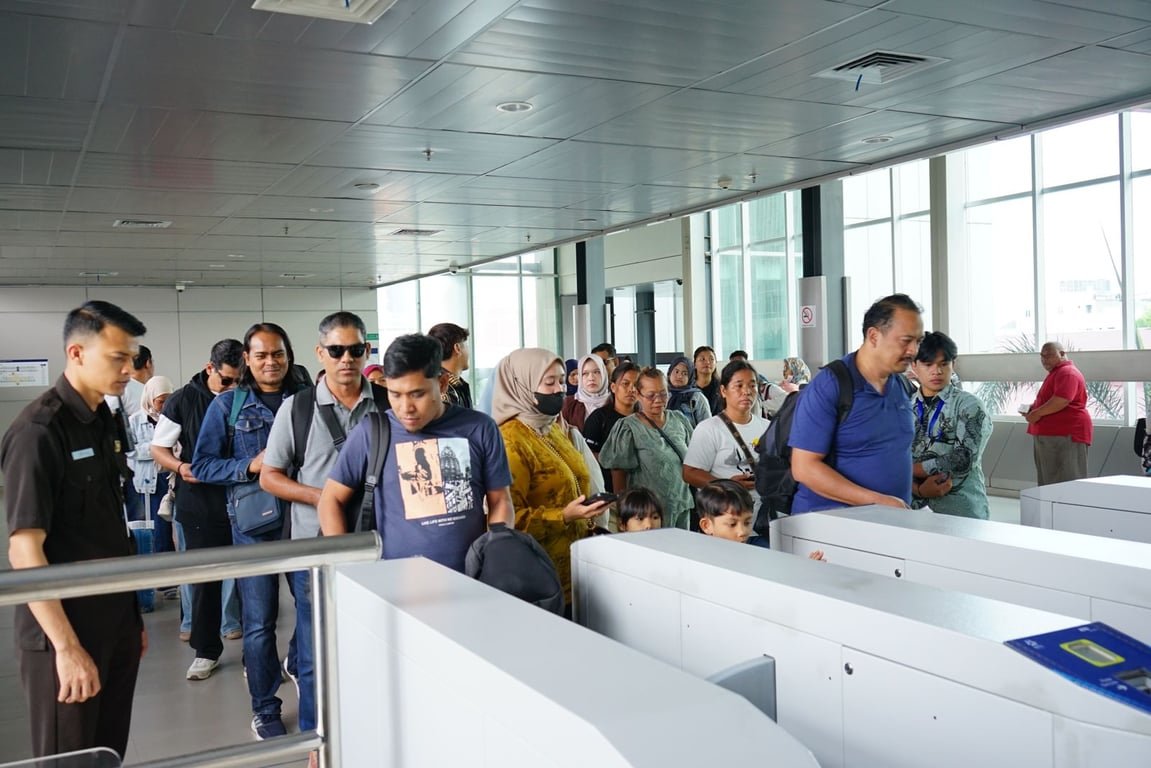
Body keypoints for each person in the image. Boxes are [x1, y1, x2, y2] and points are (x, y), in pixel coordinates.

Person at [1, 300, 148, 760]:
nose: (129, 370)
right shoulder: (39, 432)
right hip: (66, 631)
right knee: (69, 756)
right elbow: (25, 550)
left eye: (132, 358)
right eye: (117, 358)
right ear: (76, 353)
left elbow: (109, 528)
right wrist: (66, 648)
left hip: (113, 623)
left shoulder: (103, 419)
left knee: (107, 753)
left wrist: (131, 621)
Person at [260, 311, 385, 743]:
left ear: (366, 351)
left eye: (355, 350)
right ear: (320, 353)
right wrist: (324, 497)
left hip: (376, 545)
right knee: (315, 652)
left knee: (374, 643)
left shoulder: (386, 403)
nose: (346, 358)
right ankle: (318, 740)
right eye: (336, 350)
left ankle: (367, 732)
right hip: (315, 548)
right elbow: (270, 476)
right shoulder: (297, 409)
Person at [191, 323, 305, 740]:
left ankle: (300, 671)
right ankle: (265, 708)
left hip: (303, 523)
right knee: (258, 624)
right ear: (247, 359)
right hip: (254, 528)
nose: (270, 362)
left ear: (289, 356)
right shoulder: (228, 406)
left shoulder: (307, 401)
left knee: (312, 614)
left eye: (277, 354)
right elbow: (202, 465)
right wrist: (249, 465)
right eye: (261, 355)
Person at [317, 334, 514, 573]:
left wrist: (496, 552)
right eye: (395, 394)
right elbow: (331, 499)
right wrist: (346, 566)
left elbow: (499, 499)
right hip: (395, 579)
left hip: (472, 575)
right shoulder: (372, 432)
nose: (406, 408)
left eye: (417, 394)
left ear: (442, 384)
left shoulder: (479, 427)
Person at [491, 348, 611, 606]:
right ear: (522, 385)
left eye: (562, 380)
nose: (560, 389)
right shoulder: (510, 441)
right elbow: (507, 521)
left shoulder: (551, 427)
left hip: (576, 566)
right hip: (540, 575)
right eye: (549, 382)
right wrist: (564, 515)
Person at [788, 294, 923, 513]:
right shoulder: (830, 386)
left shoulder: (900, 386)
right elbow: (804, 468)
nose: (913, 350)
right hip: (830, 524)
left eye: (918, 341)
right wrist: (877, 501)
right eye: (906, 341)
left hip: (889, 522)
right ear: (874, 336)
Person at [150, 340, 243, 650]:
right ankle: (199, 636)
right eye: (226, 380)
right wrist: (180, 467)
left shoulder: (247, 395)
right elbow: (158, 448)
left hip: (240, 496)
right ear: (209, 369)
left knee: (238, 569)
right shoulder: (183, 400)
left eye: (239, 381)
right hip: (198, 496)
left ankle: (231, 622)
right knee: (200, 570)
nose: (232, 388)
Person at [599, 367, 695, 530]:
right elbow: (618, 472)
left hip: (681, 506)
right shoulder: (628, 427)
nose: (658, 400)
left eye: (663, 394)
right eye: (651, 395)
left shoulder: (679, 420)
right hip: (646, 514)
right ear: (638, 395)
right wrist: (624, 510)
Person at [909, 332, 992, 519]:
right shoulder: (904, 407)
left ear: (953, 364)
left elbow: (963, 459)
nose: (936, 371)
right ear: (914, 365)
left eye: (943, 364)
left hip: (960, 509)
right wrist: (917, 487)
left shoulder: (968, 405)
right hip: (912, 509)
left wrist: (912, 469)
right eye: (928, 364)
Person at [683, 360, 769, 511]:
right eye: (739, 386)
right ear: (723, 390)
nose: (747, 392)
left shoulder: (767, 427)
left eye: (752, 385)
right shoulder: (708, 429)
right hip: (724, 515)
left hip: (764, 515)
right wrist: (726, 486)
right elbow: (690, 473)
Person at [1025, 341, 1093, 486]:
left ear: (1062, 354)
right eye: (1042, 356)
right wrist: (1034, 408)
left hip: (1065, 433)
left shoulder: (1067, 372)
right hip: (1052, 434)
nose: (1044, 360)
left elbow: (1062, 400)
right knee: (1049, 480)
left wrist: (1037, 413)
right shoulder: (1057, 373)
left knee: (1067, 480)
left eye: (1049, 355)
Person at [696, 480, 824, 557]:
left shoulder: (755, 555)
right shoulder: (699, 561)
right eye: (732, 524)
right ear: (707, 525)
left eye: (747, 522)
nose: (742, 532)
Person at [582, 362, 639, 461]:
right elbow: (587, 454)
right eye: (625, 384)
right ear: (613, 387)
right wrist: (612, 463)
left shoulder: (645, 419)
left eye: (637, 385)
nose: (632, 389)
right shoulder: (599, 418)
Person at [427, 322, 473, 408]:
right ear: (457, 348)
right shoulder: (444, 391)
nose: (468, 352)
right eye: (466, 346)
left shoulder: (455, 385)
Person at [561, 353, 610, 432]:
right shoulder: (569, 404)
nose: (591, 378)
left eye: (597, 372)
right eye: (585, 373)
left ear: (604, 374)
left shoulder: (615, 402)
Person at [666, 356, 710, 426]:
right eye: (676, 372)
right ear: (670, 373)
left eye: (685, 373)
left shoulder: (697, 397)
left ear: (690, 377)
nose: (679, 376)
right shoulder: (663, 394)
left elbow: (706, 425)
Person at [692, 345, 722, 414]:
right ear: (695, 364)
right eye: (702, 359)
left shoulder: (722, 387)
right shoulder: (688, 388)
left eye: (711, 359)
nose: (707, 362)